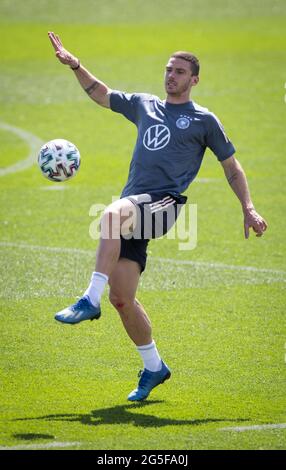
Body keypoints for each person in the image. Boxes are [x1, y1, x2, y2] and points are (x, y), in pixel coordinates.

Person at [48, 32, 268, 402]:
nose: (172, 76)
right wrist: (76, 66)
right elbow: (102, 94)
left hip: (163, 204)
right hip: (137, 207)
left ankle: (89, 298)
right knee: (123, 299)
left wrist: (247, 206)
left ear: (194, 80)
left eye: (180, 72)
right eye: (168, 70)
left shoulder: (203, 120)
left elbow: (231, 167)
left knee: (110, 215)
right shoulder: (145, 105)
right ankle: (154, 367)